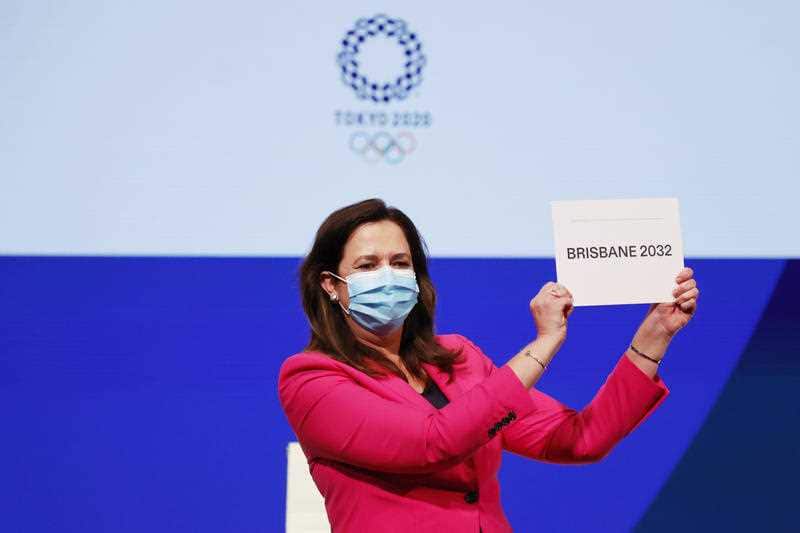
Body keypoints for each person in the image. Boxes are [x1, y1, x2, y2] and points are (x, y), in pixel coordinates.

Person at [278, 198, 699, 532]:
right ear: (331, 285)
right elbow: (433, 443)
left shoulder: (458, 357)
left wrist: (655, 334)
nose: (388, 275)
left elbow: (577, 439)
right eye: (368, 266)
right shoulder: (312, 379)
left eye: (400, 263)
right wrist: (545, 343)